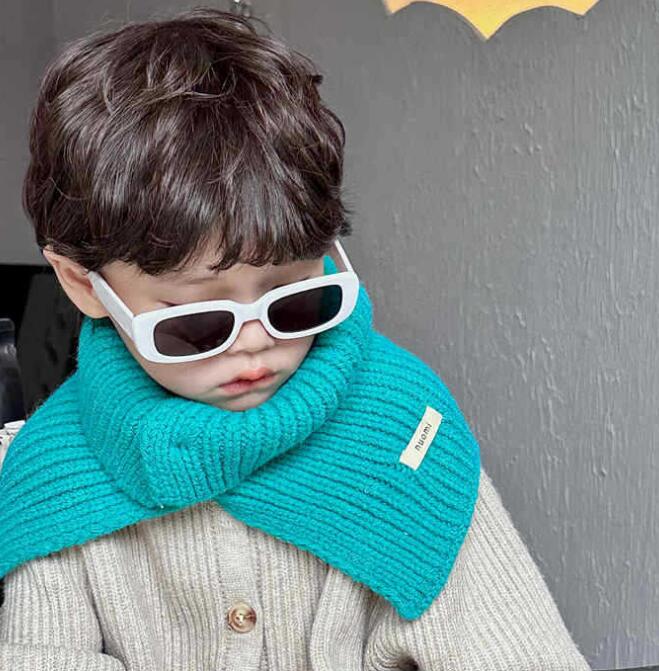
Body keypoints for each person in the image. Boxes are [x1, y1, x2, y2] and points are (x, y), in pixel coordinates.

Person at [0, 7, 592, 670]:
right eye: (197, 322)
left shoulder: (405, 430)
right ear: (82, 285)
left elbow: (519, 653)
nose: (256, 343)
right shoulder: (51, 470)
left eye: (294, 301)